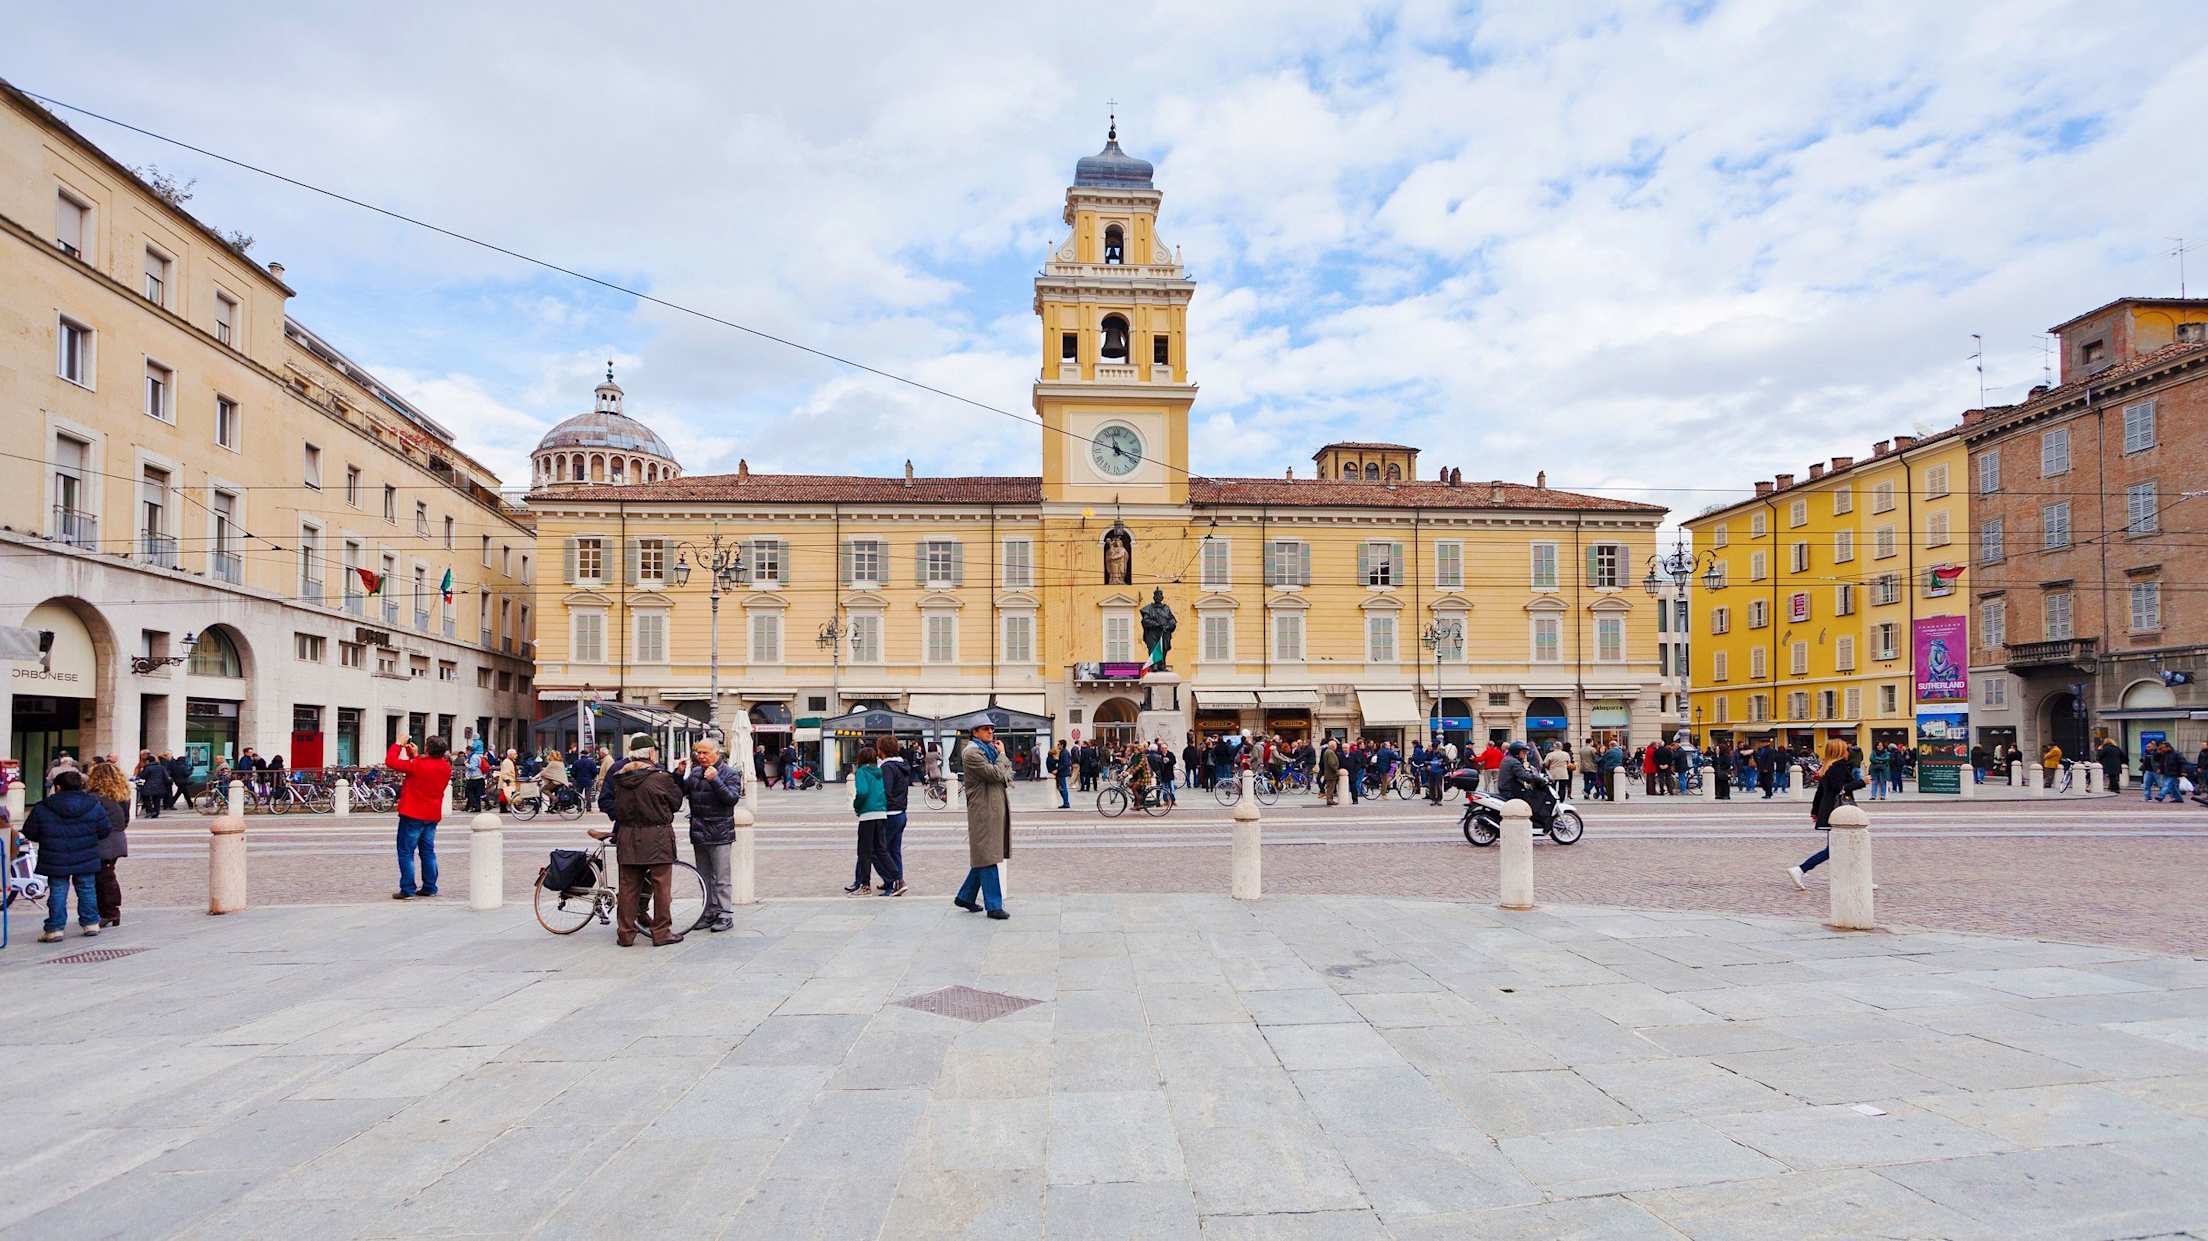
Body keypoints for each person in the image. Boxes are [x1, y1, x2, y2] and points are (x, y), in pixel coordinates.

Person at [589, 734, 688, 946]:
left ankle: (625, 933)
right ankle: (661, 932)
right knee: (661, 886)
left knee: (628, 887)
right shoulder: (660, 778)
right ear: (651, 753)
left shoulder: (619, 778)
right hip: (657, 836)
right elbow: (676, 802)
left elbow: (607, 801)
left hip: (627, 835)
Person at [23, 760, 111, 941]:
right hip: (86, 854)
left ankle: (55, 928)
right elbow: (104, 830)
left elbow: (30, 831)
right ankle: (90, 924)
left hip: (55, 855)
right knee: (87, 888)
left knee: (58, 890)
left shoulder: (44, 807)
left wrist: (47, 838)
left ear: (57, 786)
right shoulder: (93, 805)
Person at [681, 738, 744, 931]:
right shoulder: (696, 772)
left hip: (720, 832)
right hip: (699, 831)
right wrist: (678, 775)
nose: (700, 756)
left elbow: (731, 799)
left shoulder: (729, 773)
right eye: (698, 753)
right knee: (704, 875)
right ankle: (709, 912)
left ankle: (725, 914)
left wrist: (715, 780)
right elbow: (682, 793)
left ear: (717, 753)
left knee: (721, 877)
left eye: (705, 753)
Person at [954, 723, 1013, 920]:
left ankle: (965, 896)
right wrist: (1002, 756)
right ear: (974, 732)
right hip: (983, 809)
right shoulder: (972, 753)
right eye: (985, 729)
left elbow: (1008, 775)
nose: (990, 732)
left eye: (992, 729)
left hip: (993, 807)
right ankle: (994, 905)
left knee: (985, 853)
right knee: (988, 855)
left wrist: (1002, 762)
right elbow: (997, 774)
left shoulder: (989, 751)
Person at [1788, 738, 1863, 890]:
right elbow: (1839, 788)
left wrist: (1815, 811)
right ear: (1841, 752)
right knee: (1835, 848)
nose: (1848, 752)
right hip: (1838, 811)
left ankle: (1857, 878)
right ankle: (1801, 869)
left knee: (1843, 847)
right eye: (1846, 750)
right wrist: (1862, 782)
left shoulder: (1828, 767)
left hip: (1830, 810)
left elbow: (1820, 792)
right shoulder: (1838, 767)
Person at [386, 735, 451, 899]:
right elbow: (424, 769)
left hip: (412, 813)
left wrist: (398, 744)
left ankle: (407, 889)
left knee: (406, 852)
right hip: (431, 814)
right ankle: (430, 887)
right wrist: (413, 755)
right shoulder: (445, 767)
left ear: (427, 749)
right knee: (428, 852)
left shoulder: (418, 764)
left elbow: (391, 761)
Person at [85, 759, 132, 929]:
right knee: (105, 874)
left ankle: (110, 911)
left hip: (103, 840)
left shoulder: (95, 797)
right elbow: (125, 819)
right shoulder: (122, 796)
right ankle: (106, 911)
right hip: (117, 838)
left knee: (104, 877)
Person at [847, 745, 889, 896]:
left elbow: (863, 792)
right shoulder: (880, 772)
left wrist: (857, 806)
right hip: (881, 813)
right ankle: (895, 878)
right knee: (880, 850)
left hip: (867, 814)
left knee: (864, 852)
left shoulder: (861, 772)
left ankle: (865, 885)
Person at [875, 736, 910, 896]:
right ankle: (895, 880)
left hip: (889, 813)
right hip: (901, 812)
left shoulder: (887, 767)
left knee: (878, 850)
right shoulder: (902, 765)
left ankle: (893, 881)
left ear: (881, 749)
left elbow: (885, 791)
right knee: (894, 850)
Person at [463, 745, 488, 813]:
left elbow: (473, 767)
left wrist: (466, 764)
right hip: (479, 777)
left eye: (466, 751)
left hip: (475, 777)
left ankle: (475, 805)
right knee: (477, 793)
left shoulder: (473, 757)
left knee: (469, 792)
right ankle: (477, 807)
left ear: (469, 751)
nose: (465, 752)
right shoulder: (476, 756)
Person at [1318, 739, 1342, 805]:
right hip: (1331, 773)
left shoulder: (1327, 751)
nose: (1336, 747)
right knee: (1330, 788)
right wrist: (1336, 770)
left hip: (1329, 773)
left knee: (1330, 787)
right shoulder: (1330, 752)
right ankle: (1330, 800)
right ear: (1333, 746)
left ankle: (1330, 799)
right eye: (1336, 745)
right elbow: (1332, 763)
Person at [1048, 740, 1071, 809]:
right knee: (1062, 788)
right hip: (1062, 772)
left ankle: (1066, 803)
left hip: (1062, 773)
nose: (1058, 746)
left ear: (1062, 745)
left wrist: (1057, 770)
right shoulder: (1063, 752)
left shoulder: (1064, 752)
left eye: (1059, 744)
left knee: (1063, 788)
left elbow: (1065, 763)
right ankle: (1066, 802)